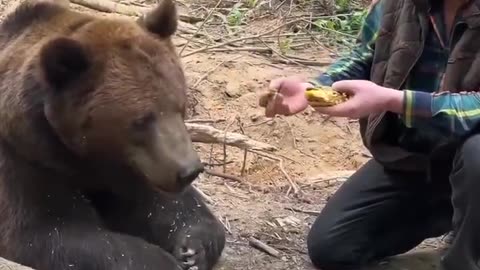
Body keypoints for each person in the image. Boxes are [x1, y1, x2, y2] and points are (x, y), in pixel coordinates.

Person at [259, 0, 480, 270]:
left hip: (471, 159)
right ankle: (458, 224)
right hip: (418, 157)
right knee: (334, 247)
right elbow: (364, 56)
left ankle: (466, 257)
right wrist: (315, 88)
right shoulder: (396, 6)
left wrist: (392, 100)